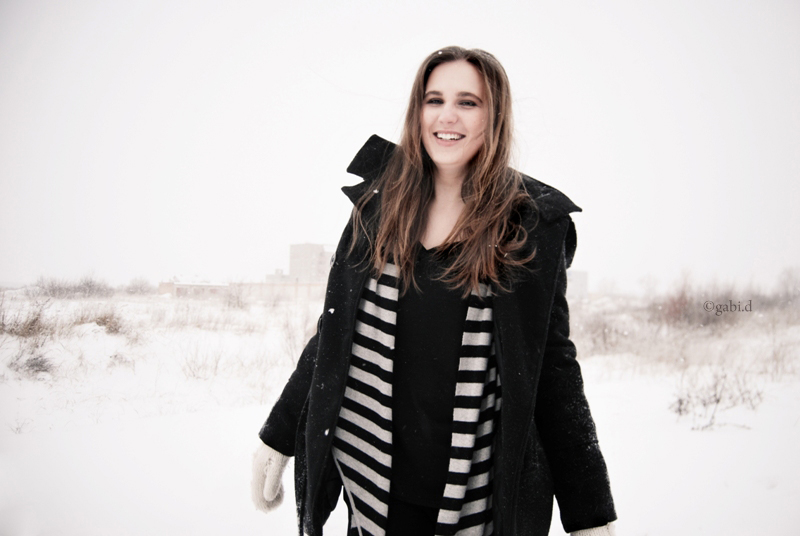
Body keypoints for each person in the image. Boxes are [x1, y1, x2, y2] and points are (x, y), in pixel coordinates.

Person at [251, 46, 617, 536]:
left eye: (468, 102)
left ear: (494, 116)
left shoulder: (528, 224)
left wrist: (589, 509)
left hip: (476, 505)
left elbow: (551, 366)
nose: (447, 116)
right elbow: (335, 333)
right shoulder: (377, 208)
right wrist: (278, 432)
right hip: (374, 498)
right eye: (434, 100)